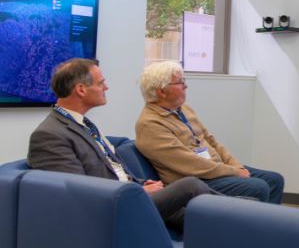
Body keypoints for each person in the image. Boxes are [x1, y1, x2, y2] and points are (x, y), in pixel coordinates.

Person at [27, 58, 211, 232]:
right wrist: (138, 190)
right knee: (191, 185)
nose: (106, 87)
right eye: (101, 83)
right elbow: (78, 192)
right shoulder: (49, 135)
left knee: (205, 221)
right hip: (113, 207)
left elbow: (111, 169)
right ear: (81, 90)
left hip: (129, 195)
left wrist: (140, 183)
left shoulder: (82, 124)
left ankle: (225, 226)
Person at [135, 61, 284, 204]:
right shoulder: (150, 125)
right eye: (180, 82)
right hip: (197, 180)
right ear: (161, 91)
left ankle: (267, 221)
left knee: (274, 180)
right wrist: (234, 172)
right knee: (258, 187)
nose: (186, 86)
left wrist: (237, 166)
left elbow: (211, 140)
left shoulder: (183, 109)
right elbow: (190, 164)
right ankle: (252, 221)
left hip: (216, 169)